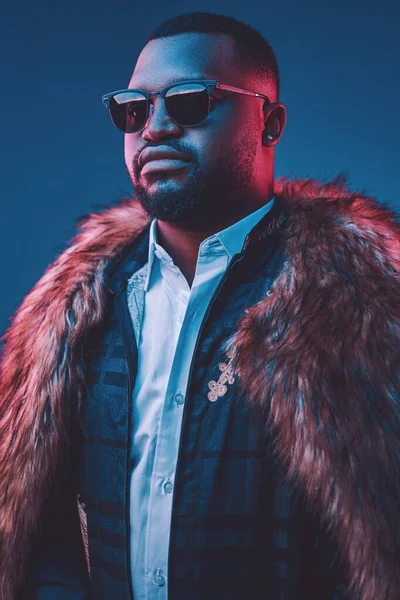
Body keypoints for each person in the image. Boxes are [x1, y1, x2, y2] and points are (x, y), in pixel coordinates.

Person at [0, 10, 399, 600]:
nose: (155, 127)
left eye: (189, 101)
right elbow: (49, 539)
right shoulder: (80, 312)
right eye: (132, 110)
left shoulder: (361, 311)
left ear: (269, 122)